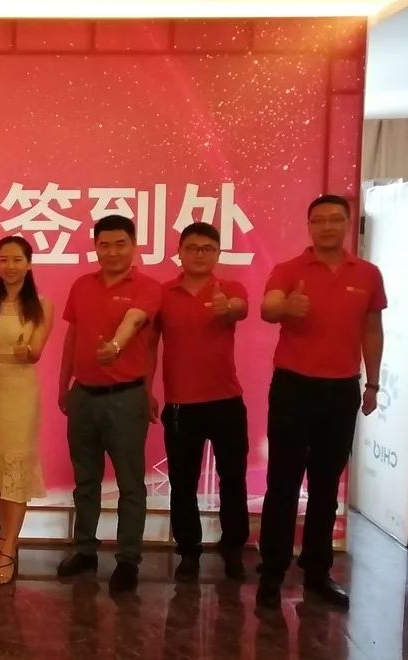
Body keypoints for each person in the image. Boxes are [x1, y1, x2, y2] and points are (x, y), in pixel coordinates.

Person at [255, 195, 385, 610]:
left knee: (327, 486)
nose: (327, 226)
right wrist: (286, 307)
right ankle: (272, 572)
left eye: (335, 219)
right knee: (283, 484)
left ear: (347, 223)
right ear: (309, 226)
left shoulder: (367, 274)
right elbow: (267, 307)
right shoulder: (289, 269)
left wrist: (373, 384)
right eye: (319, 220)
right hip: (293, 388)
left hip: (342, 390)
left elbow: (372, 329)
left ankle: (317, 571)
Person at [56, 214, 162, 594]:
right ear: (96, 247)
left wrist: (115, 347)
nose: (113, 252)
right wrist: (63, 384)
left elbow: (134, 321)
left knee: (130, 484)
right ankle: (85, 550)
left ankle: (128, 559)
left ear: (134, 247)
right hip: (84, 396)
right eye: (105, 245)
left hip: (126, 398)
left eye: (121, 244)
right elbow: (72, 337)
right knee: (85, 480)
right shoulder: (82, 286)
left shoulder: (148, 288)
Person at [152, 222, 250, 583]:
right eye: (192, 248)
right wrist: (147, 389)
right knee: (183, 483)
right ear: (179, 252)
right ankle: (188, 551)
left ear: (218, 253)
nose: (199, 254)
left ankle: (233, 548)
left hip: (227, 401)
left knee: (233, 480)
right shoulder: (163, 293)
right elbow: (149, 345)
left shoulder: (230, 288)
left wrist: (228, 307)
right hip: (181, 404)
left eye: (208, 248)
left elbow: (240, 308)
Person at [0, 236, 54, 586]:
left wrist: (26, 352)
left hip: (21, 391)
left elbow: (38, 350)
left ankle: (9, 551)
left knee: (16, 466)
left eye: (17, 259)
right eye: (4, 259)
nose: (10, 266)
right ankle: (4, 542)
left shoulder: (42, 305)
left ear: (29, 264)